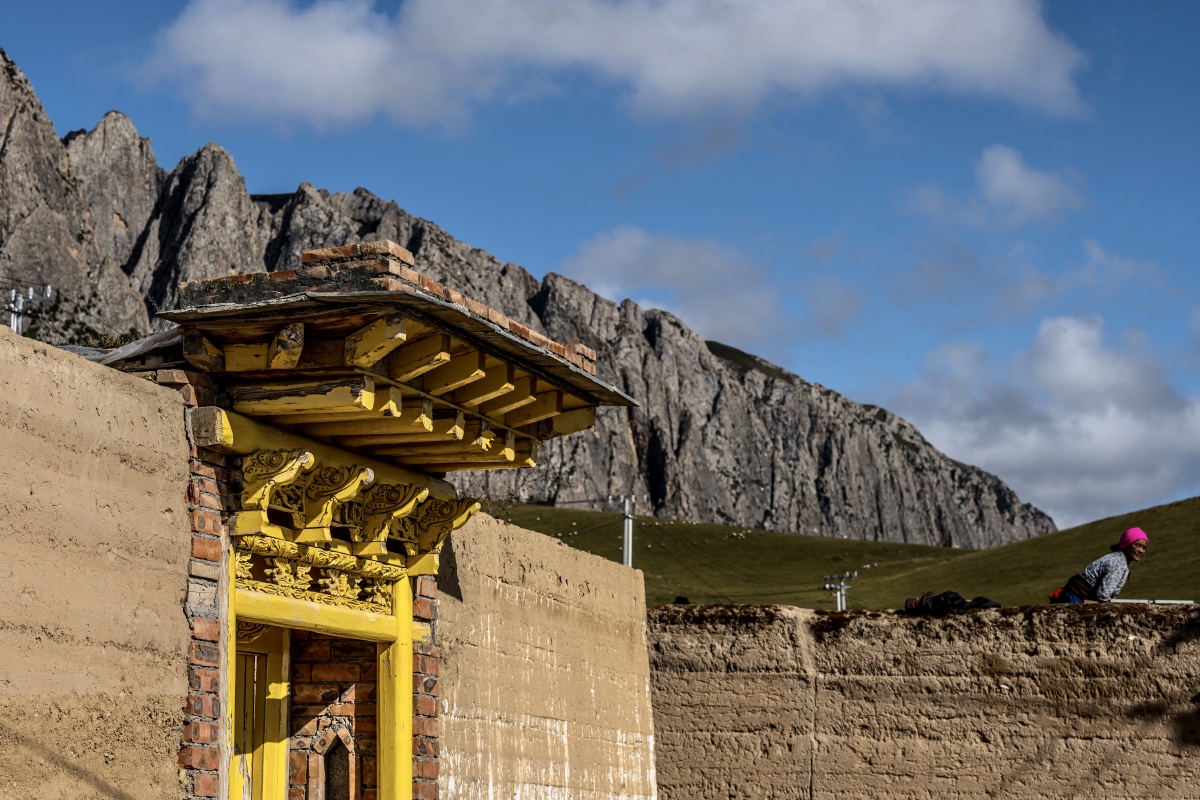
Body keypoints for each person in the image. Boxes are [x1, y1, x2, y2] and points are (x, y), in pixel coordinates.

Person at [1050, 527, 1148, 604]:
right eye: (1137, 545)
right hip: (1076, 597)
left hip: (1074, 593)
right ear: (1127, 544)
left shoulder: (1118, 559)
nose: (1141, 551)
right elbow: (1103, 595)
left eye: (1144, 548)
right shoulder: (1118, 563)